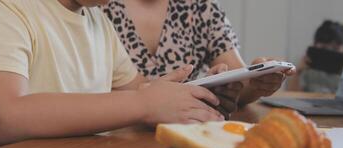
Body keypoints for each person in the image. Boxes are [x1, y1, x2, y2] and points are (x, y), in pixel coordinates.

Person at [0, 0, 228, 148]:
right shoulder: (5, 10)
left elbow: (136, 90)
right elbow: (2, 118)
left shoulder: (98, 22)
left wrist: (193, 92)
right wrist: (144, 103)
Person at [101, 0, 293, 107]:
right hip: (111, 135)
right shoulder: (97, 6)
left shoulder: (202, 7)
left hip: (184, 128)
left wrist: (257, 83)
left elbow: (239, 81)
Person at [287, 20, 343, 93]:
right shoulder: (305, 66)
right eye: (323, 48)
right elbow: (292, 93)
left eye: (335, 49)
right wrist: (298, 72)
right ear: (315, 45)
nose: (329, 54)